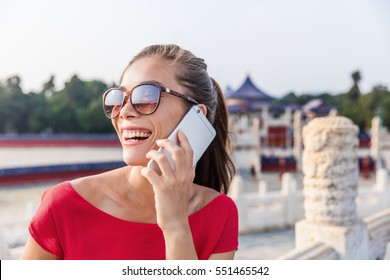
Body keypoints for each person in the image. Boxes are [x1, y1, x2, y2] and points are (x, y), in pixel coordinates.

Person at [20, 44, 238, 260]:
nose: (124, 111)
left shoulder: (221, 214)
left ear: (195, 115)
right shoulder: (64, 205)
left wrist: (176, 226)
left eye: (146, 96)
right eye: (119, 98)